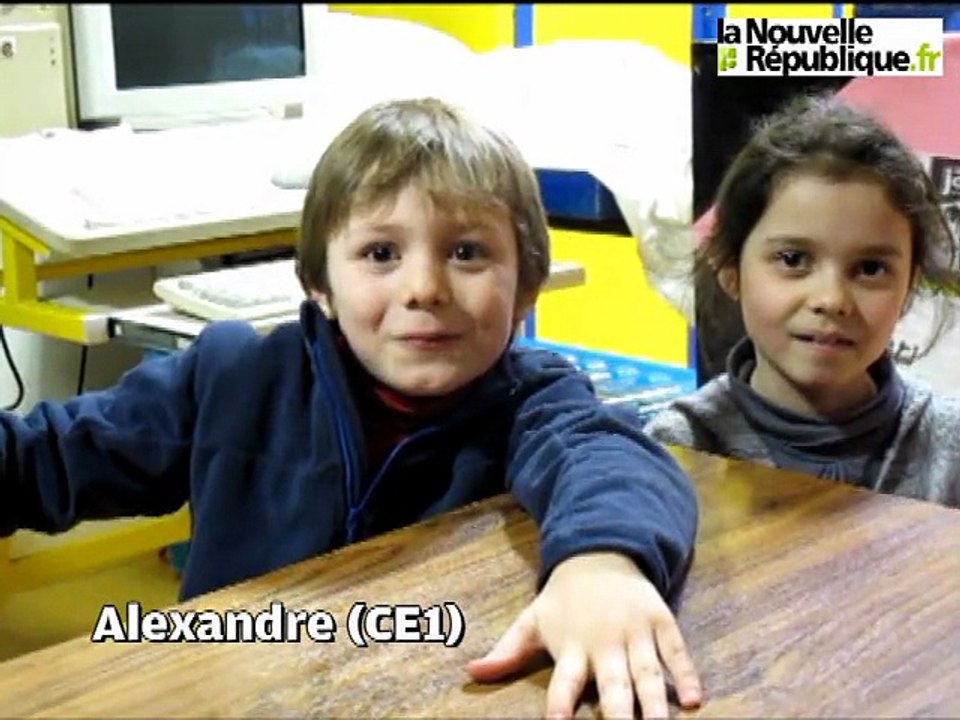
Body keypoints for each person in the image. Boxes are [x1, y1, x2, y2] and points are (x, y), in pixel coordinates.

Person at [1, 98, 703, 718]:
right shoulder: (233, 378)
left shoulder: (533, 400)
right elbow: (43, 458)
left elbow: (615, 462)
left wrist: (601, 564)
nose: (424, 287)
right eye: (380, 252)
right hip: (234, 693)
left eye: (466, 252)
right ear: (320, 284)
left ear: (526, 288)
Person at [645, 93, 960, 508]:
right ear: (730, 270)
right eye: (793, 260)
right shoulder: (678, 448)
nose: (831, 300)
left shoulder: (948, 450)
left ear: (908, 288)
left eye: (870, 269)